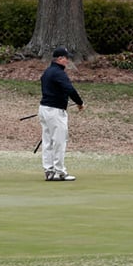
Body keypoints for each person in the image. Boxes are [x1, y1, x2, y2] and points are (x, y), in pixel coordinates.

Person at [39, 46, 84, 181]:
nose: (67, 61)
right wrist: (79, 103)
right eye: (66, 58)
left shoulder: (47, 72)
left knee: (48, 141)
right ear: (60, 59)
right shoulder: (58, 73)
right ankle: (60, 172)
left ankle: (49, 170)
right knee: (59, 141)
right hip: (55, 111)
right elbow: (70, 89)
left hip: (44, 109)